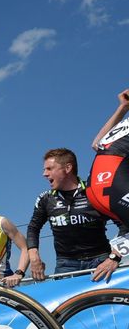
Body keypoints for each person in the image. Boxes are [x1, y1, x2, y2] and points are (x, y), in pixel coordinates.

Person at [27, 148, 113, 276]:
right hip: (66, 264)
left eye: (49, 169)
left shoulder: (94, 191)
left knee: (107, 297)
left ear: (67, 168)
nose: (44, 174)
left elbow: (124, 223)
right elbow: (33, 228)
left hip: (101, 260)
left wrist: (114, 258)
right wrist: (34, 257)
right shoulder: (45, 199)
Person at [87, 88, 129, 282]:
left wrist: (123, 107)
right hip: (112, 182)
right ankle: (114, 257)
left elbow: (97, 143)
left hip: (97, 187)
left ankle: (114, 258)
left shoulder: (126, 124)